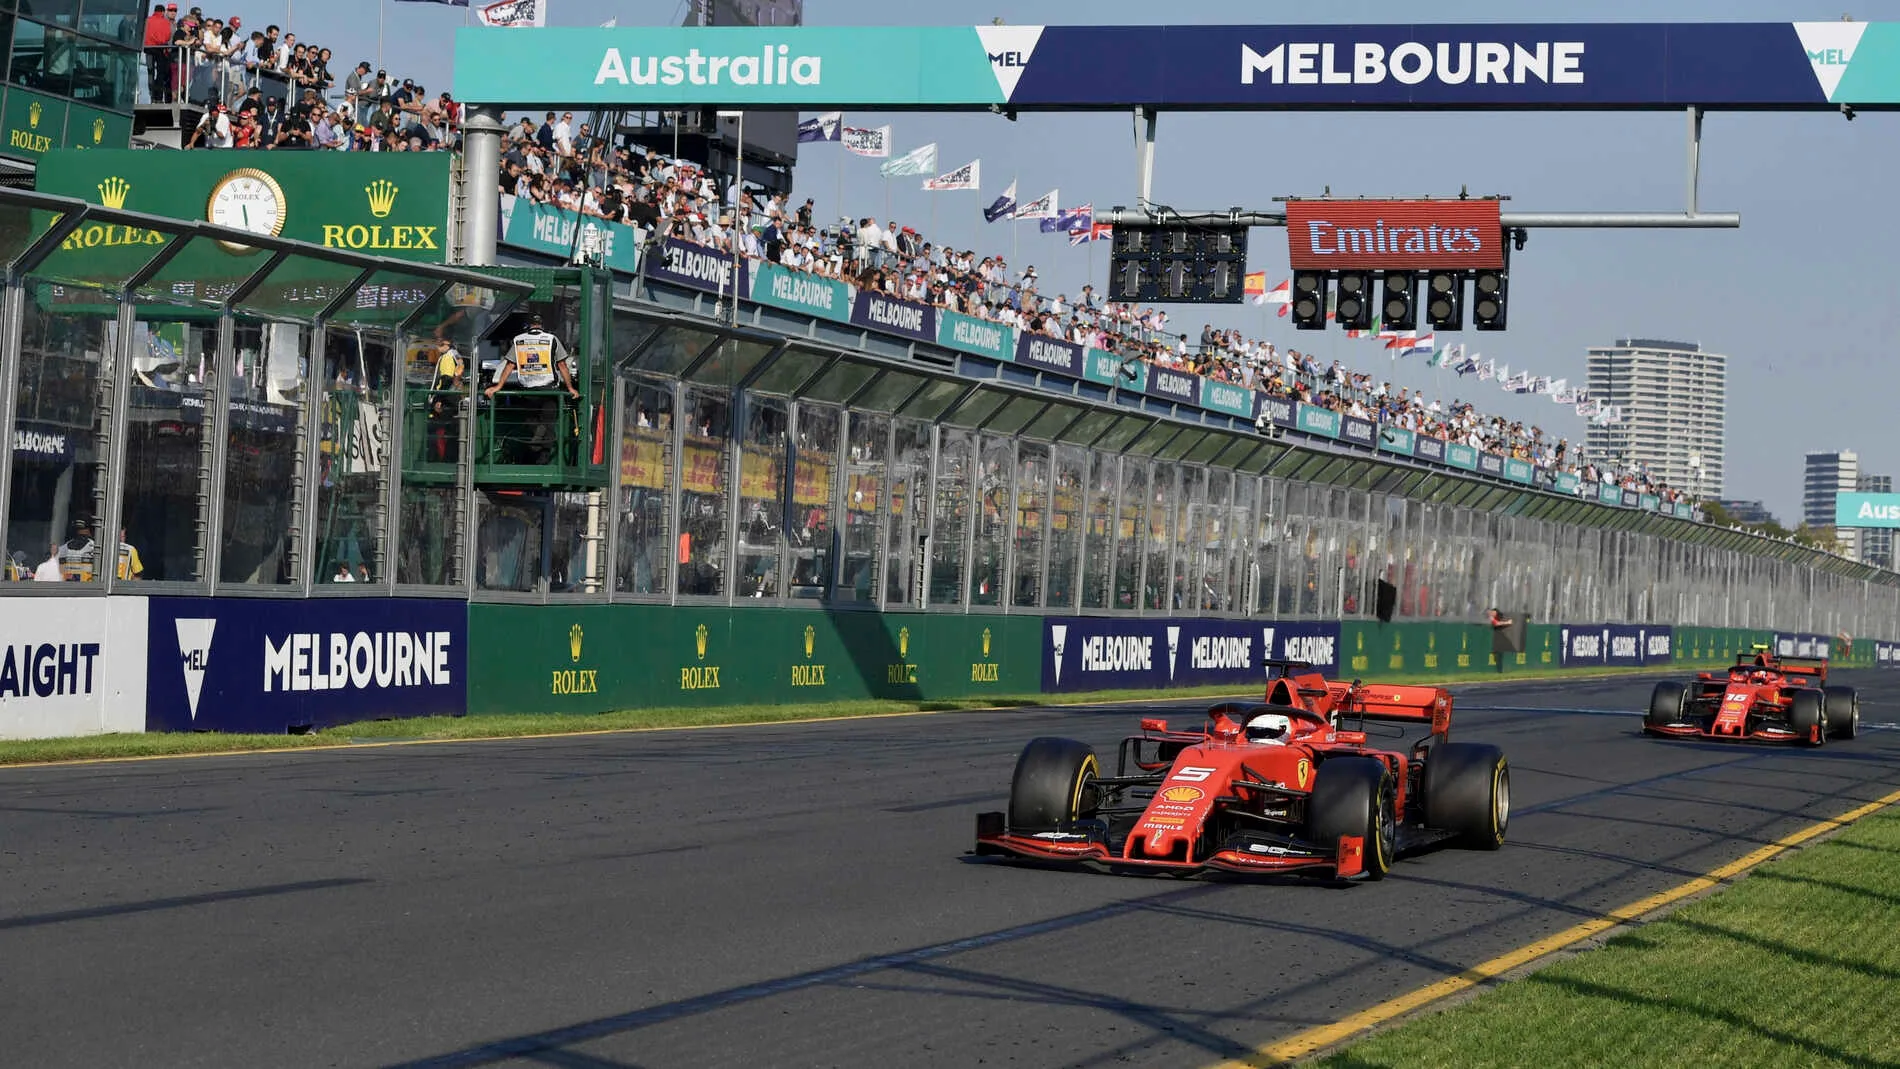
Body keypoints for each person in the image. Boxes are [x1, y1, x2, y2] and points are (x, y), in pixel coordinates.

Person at [1488, 607, 1515, 673]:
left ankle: (1500, 670)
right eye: (1492, 612)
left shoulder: (1496, 618)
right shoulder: (1490, 617)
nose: (1493, 614)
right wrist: (1507, 622)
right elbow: (1496, 623)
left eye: (1495, 613)